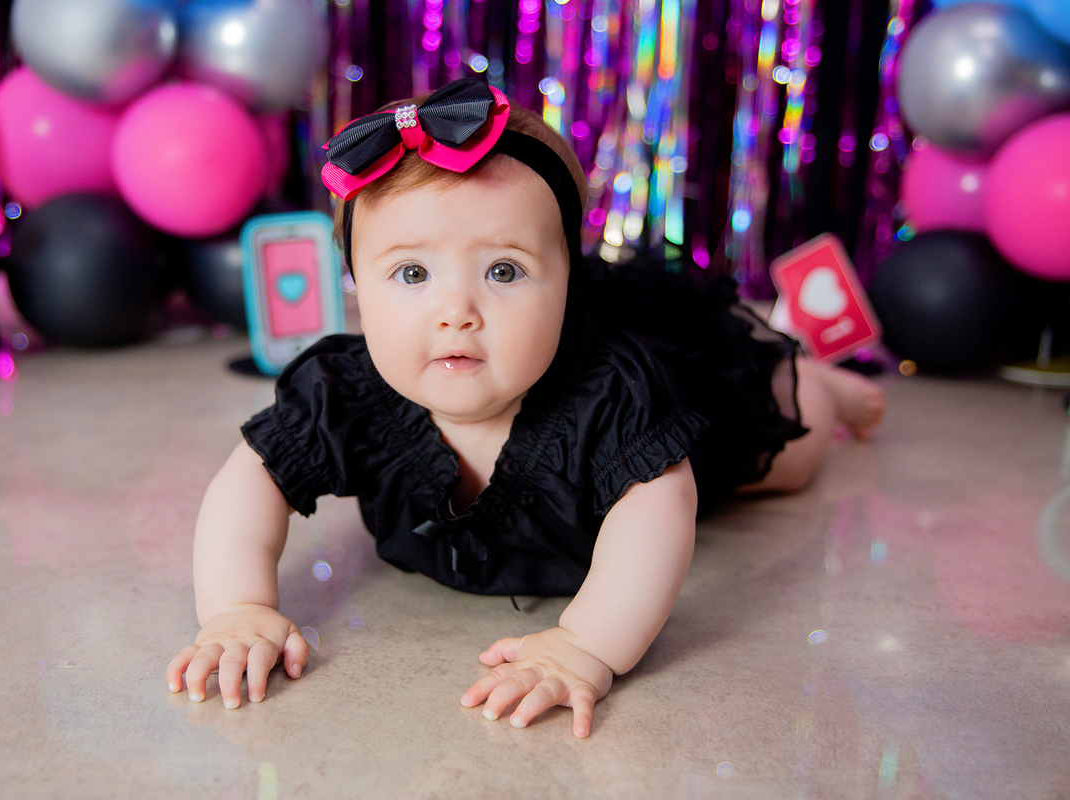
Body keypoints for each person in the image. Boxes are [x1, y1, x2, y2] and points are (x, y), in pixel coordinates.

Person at [166, 79, 885, 738]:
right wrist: (237, 609)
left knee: (784, 447)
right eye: (411, 273)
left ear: (568, 281)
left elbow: (660, 510)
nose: (457, 311)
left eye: (503, 270)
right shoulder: (343, 390)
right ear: (357, 283)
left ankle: (823, 383)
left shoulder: (611, 389)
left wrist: (586, 645)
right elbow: (251, 478)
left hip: (692, 424)